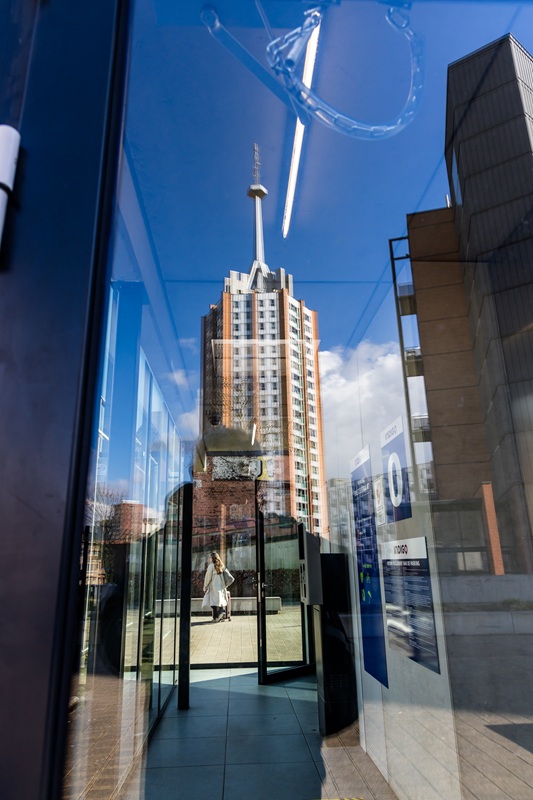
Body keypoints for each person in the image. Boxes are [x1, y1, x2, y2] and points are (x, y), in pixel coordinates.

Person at [202, 551, 228, 622]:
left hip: (214, 586)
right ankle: (220, 614)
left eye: (210, 557)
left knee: (212, 602)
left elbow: (208, 577)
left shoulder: (211, 566)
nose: (209, 558)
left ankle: (217, 616)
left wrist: (205, 586)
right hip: (221, 586)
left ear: (212, 558)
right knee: (219, 601)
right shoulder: (221, 565)